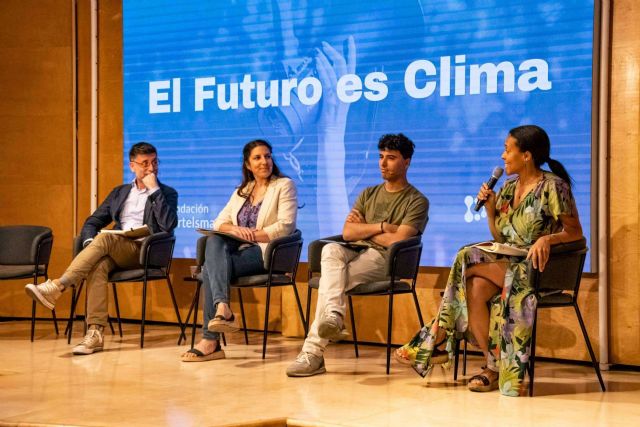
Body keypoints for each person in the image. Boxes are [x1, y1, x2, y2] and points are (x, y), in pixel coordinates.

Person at [395, 125, 583, 396]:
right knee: (475, 290)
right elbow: (500, 235)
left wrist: (547, 239)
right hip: (509, 262)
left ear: (527, 155)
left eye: (508, 150)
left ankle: (436, 335)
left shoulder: (553, 186)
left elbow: (575, 232)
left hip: (538, 268)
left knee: (465, 255)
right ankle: (492, 367)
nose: (503, 156)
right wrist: (491, 210)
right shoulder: (507, 187)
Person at [286, 133, 429, 377]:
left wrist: (366, 231)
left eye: (391, 158)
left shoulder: (416, 201)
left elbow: (398, 241)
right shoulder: (368, 193)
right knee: (331, 249)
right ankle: (333, 317)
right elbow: (347, 232)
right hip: (355, 252)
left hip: (386, 261)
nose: (383, 163)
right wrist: (382, 227)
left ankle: (312, 353)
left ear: (407, 162)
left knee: (332, 285)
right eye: (381, 157)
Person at [25, 142, 178, 355]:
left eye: (154, 162)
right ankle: (95, 333)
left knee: (105, 241)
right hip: (118, 248)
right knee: (98, 262)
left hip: (145, 251)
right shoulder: (119, 193)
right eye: (145, 164)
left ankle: (58, 286)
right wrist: (90, 244)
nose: (151, 168)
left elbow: (168, 225)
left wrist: (154, 190)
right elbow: (92, 221)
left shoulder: (167, 193)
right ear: (132, 165)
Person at [181, 139, 297, 362]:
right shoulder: (242, 191)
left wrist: (251, 234)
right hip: (238, 252)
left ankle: (210, 340)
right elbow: (219, 223)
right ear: (247, 164)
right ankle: (223, 308)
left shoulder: (284, 185)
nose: (264, 161)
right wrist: (235, 229)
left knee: (208, 272)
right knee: (214, 241)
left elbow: (285, 226)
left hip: (266, 252)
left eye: (268, 156)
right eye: (258, 157)